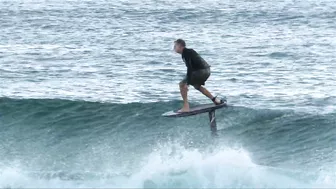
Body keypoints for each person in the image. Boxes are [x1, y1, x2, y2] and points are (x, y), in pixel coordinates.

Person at [174, 39, 224, 112]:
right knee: (197, 86)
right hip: (206, 70)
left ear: (180, 46)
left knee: (182, 84)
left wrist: (187, 83)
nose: (174, 48)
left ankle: (186, 107)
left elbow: (190, 67)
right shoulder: (187, 53)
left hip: (201, 71)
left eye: (175, 46)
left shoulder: (186, 52)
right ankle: (215, 100)